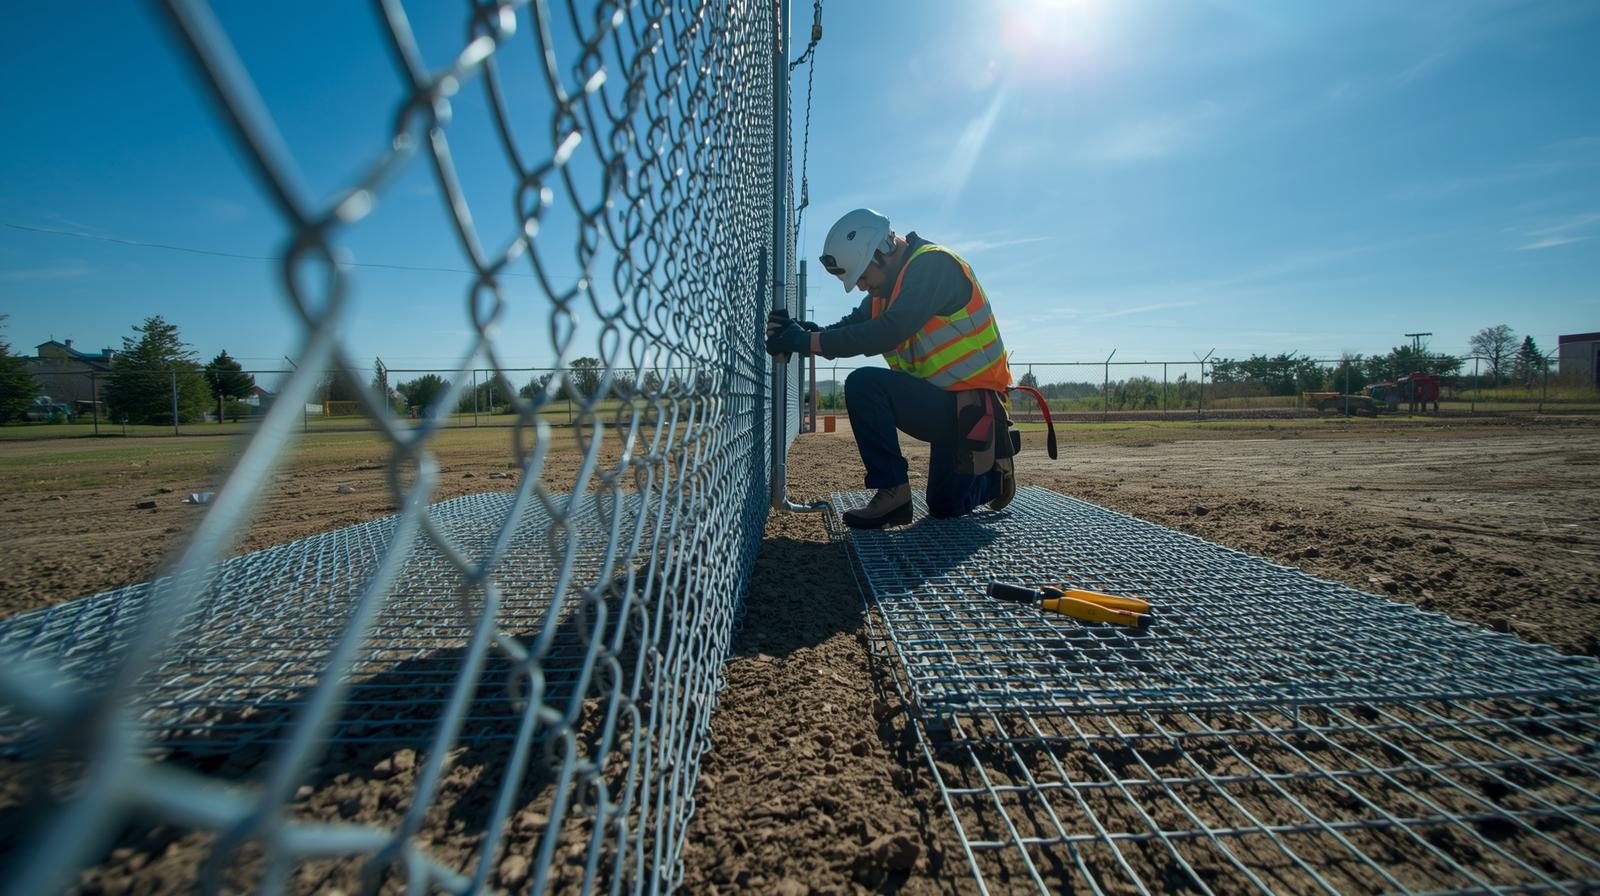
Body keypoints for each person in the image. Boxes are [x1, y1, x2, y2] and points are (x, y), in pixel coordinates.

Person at [766, 208, 1016, 529]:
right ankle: (894, 493)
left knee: (945, 507)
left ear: (880, 253)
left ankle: (996, 463)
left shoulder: (933, 266)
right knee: (866, 387)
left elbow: (886, 331)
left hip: (971, 408)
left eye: (863, 277)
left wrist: (806, 342)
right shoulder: (886, 290)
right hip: (937, 403)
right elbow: (849, 327)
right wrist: (803, 333)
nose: (860, 288)